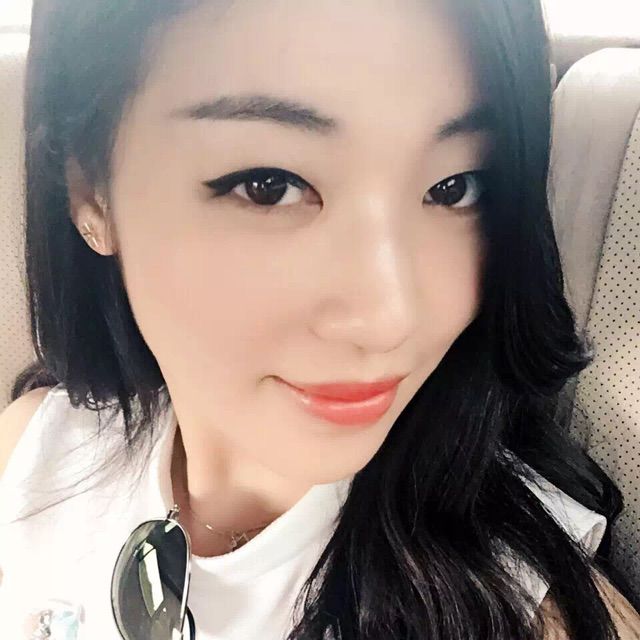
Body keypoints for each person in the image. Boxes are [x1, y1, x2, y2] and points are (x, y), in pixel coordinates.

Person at [0, 0, 639, 638]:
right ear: (91, 193)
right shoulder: (32, 454)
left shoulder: (523, 611)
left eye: (456, 187)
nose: (389, 320)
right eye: (268, 185)